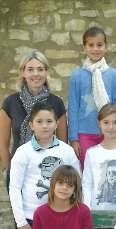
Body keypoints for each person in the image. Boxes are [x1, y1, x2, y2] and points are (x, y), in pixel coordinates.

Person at [0, 50, 67, 192]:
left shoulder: (57, 103)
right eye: (30, 69)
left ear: (46, 71)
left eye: (40, 69)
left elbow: (63, 143)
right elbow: (2, 143)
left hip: (49, 173)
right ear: (23, 72)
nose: (36, 74)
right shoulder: (10, 103)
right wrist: (11, 169)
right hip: (19, 171)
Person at [68, 26, 116, 169]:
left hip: (110, 132)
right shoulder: (77, 76)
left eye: (99, 45)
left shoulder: (114, 76)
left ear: (106, 47)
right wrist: (73, 139)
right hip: (84, 134)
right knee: (87, 170)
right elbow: (73, 109)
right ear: (84, 48)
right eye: (91, 45)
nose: (95, 49)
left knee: (108, 169)